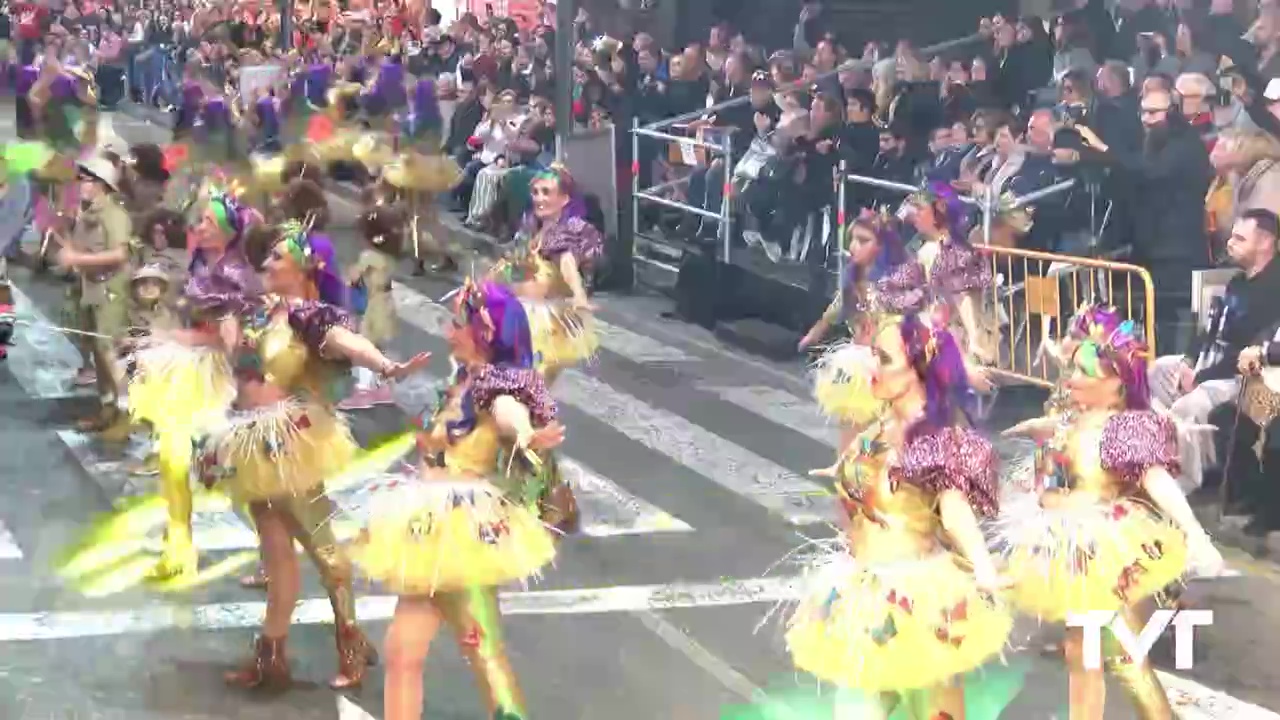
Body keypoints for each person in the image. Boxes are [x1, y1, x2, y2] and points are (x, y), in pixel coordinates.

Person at [201, 220, 428, 691]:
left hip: (290, 442)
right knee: (277, 552)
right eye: (266, 258)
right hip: (251, 444)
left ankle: (351, 641)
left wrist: (386, 365)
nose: (266, 264)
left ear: (307, 266)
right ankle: (272, 656)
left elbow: (348, 342)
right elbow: (237, 363)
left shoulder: (312, 316)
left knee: (324, 552)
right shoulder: (265, 313)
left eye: (277, 258)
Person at [997, 305, 1225, 720]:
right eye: (1073, 369)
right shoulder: (1073, 420)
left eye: (1086, 373)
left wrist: (1196, 535)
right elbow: (1064, 447)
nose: (1073, 378)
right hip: (1067, 549)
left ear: (1117, 383)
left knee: (1123, 657)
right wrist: (1037, 431)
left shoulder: (1123, 429)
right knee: (1081, 653)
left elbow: (1157, 482)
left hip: (1106, 552)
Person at [352, 280, 564, 720]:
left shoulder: (495, 384)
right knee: (402, 651)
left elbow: (509, 412)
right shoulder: (463, 378)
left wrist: (525, 434)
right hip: (428, 529)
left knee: (484, 653)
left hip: (462, 533)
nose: (448, 332)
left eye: (457, 324)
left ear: (484, 333)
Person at [787, 313, 1013, 717]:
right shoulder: (881, 424)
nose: (871, 366)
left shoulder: (932, 436)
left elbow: (954, 508)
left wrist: (983, 566)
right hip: (867, 589)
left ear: (917, 370)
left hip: (918, 599)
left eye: (885, 359)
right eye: (874, 354)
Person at [799, 210, 927, 450]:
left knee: (887, 430)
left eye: (864, 240)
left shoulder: (900, 279)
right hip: (858, 362)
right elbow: (839, 304)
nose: (855, 246)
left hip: (890, 364)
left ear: (882, 246)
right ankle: (847, 477)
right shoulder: (853, 274)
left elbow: (909, 315)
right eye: (853, 239)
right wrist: (819, 328)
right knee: (851, 421)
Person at [490, 165, 601, 387]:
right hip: (523, 312)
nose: (539, 199)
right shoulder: (531, 227)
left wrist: (579, 295)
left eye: (546, 192)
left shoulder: (565, 233)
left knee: (533, 383)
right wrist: (489, 282)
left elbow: (567, 263)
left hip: (548, 321)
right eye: (536, 192)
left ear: (564, 199)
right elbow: (513, 263)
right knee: (523, 383)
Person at [55, 153, 131, 436]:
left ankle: (126, 412)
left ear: (101, 183)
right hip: (90, 289)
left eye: (86, 179)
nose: (81, 184)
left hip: (111, 290)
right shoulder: (87, 214)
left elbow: (121, 254)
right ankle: (107, 407)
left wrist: (78, 258)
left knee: (109, 351)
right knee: (96, 351)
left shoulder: (114, 215)